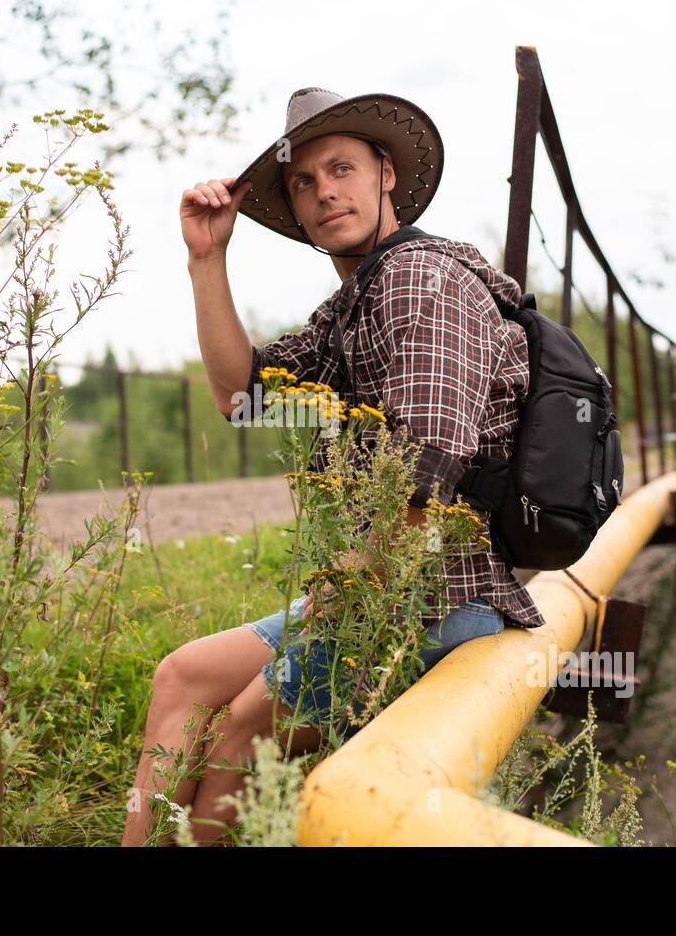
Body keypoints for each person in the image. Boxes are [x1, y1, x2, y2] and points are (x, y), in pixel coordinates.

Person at [121, 87, 545, 847]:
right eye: (304, 183)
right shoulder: (354, 300)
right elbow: (242, 397)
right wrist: (207, 259)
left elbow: (426, 470)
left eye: (340, 169)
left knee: (238, 732)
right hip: (367, 591)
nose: (323, 193)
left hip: (431, 600)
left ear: (385, 173)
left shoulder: (423, 279)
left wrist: (345, 588)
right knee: (182, 676)